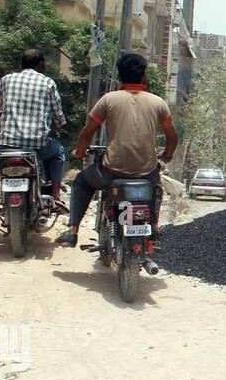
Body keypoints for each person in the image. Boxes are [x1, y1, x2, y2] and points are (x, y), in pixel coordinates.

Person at [54, 54, 178, 248]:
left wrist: (79, 152)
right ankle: (152, 228)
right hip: (146, 172)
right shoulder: (158, 103)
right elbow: (172, 137)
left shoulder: (109, 100)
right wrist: (166, 157)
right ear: (144, 77)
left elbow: (88, 131)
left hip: (111, 172)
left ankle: (72, 231)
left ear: (119, 77)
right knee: (155, 190)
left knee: (81, 182)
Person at [0, 49, 66, 244]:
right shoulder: (48, 83)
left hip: (5, 146)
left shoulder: (7, 80)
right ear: (41, 65)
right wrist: (54, 123)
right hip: (36, 147)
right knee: (58, 152)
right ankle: (56, 194)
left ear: (21, 65)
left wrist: (2, 114)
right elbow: (59, 118)